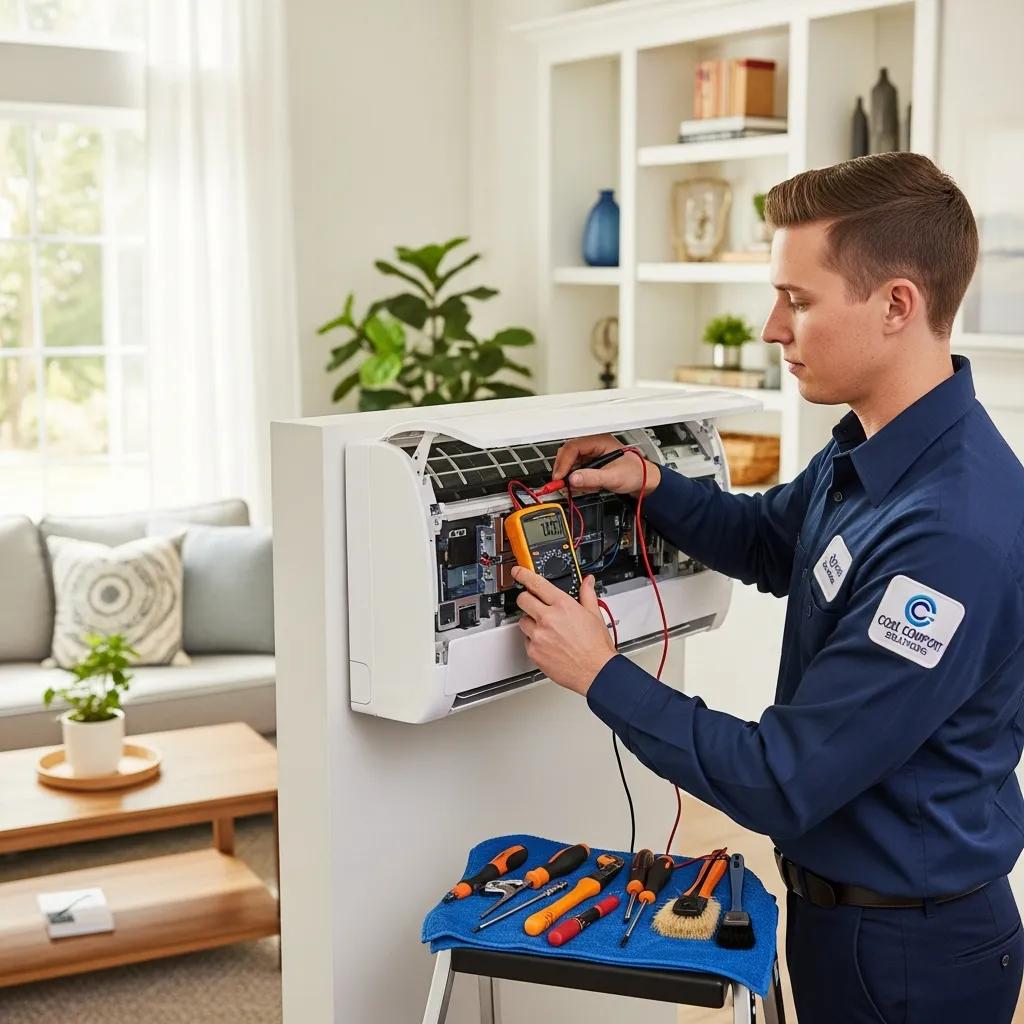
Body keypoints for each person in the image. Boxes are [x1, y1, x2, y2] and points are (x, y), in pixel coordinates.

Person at [511, 151, 1024, 1022]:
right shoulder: (873, 445)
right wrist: (653, 484)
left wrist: (601, 673)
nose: (769, 328)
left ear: (897, 304)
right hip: (841, 920)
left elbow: (781, 777)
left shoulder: (948, 535)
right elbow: (773, 538)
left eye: (798, 299)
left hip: (909, 958)